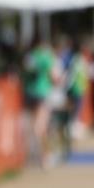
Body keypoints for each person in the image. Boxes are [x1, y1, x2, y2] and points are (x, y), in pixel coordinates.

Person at [21, 35, 60, 166]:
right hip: (42, 93)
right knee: (41, 127)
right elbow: (54, 77)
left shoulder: (29, 57)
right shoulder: (46, 57)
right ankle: (45, 156)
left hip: (28, 94)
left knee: (31, 125)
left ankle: (31, 156)